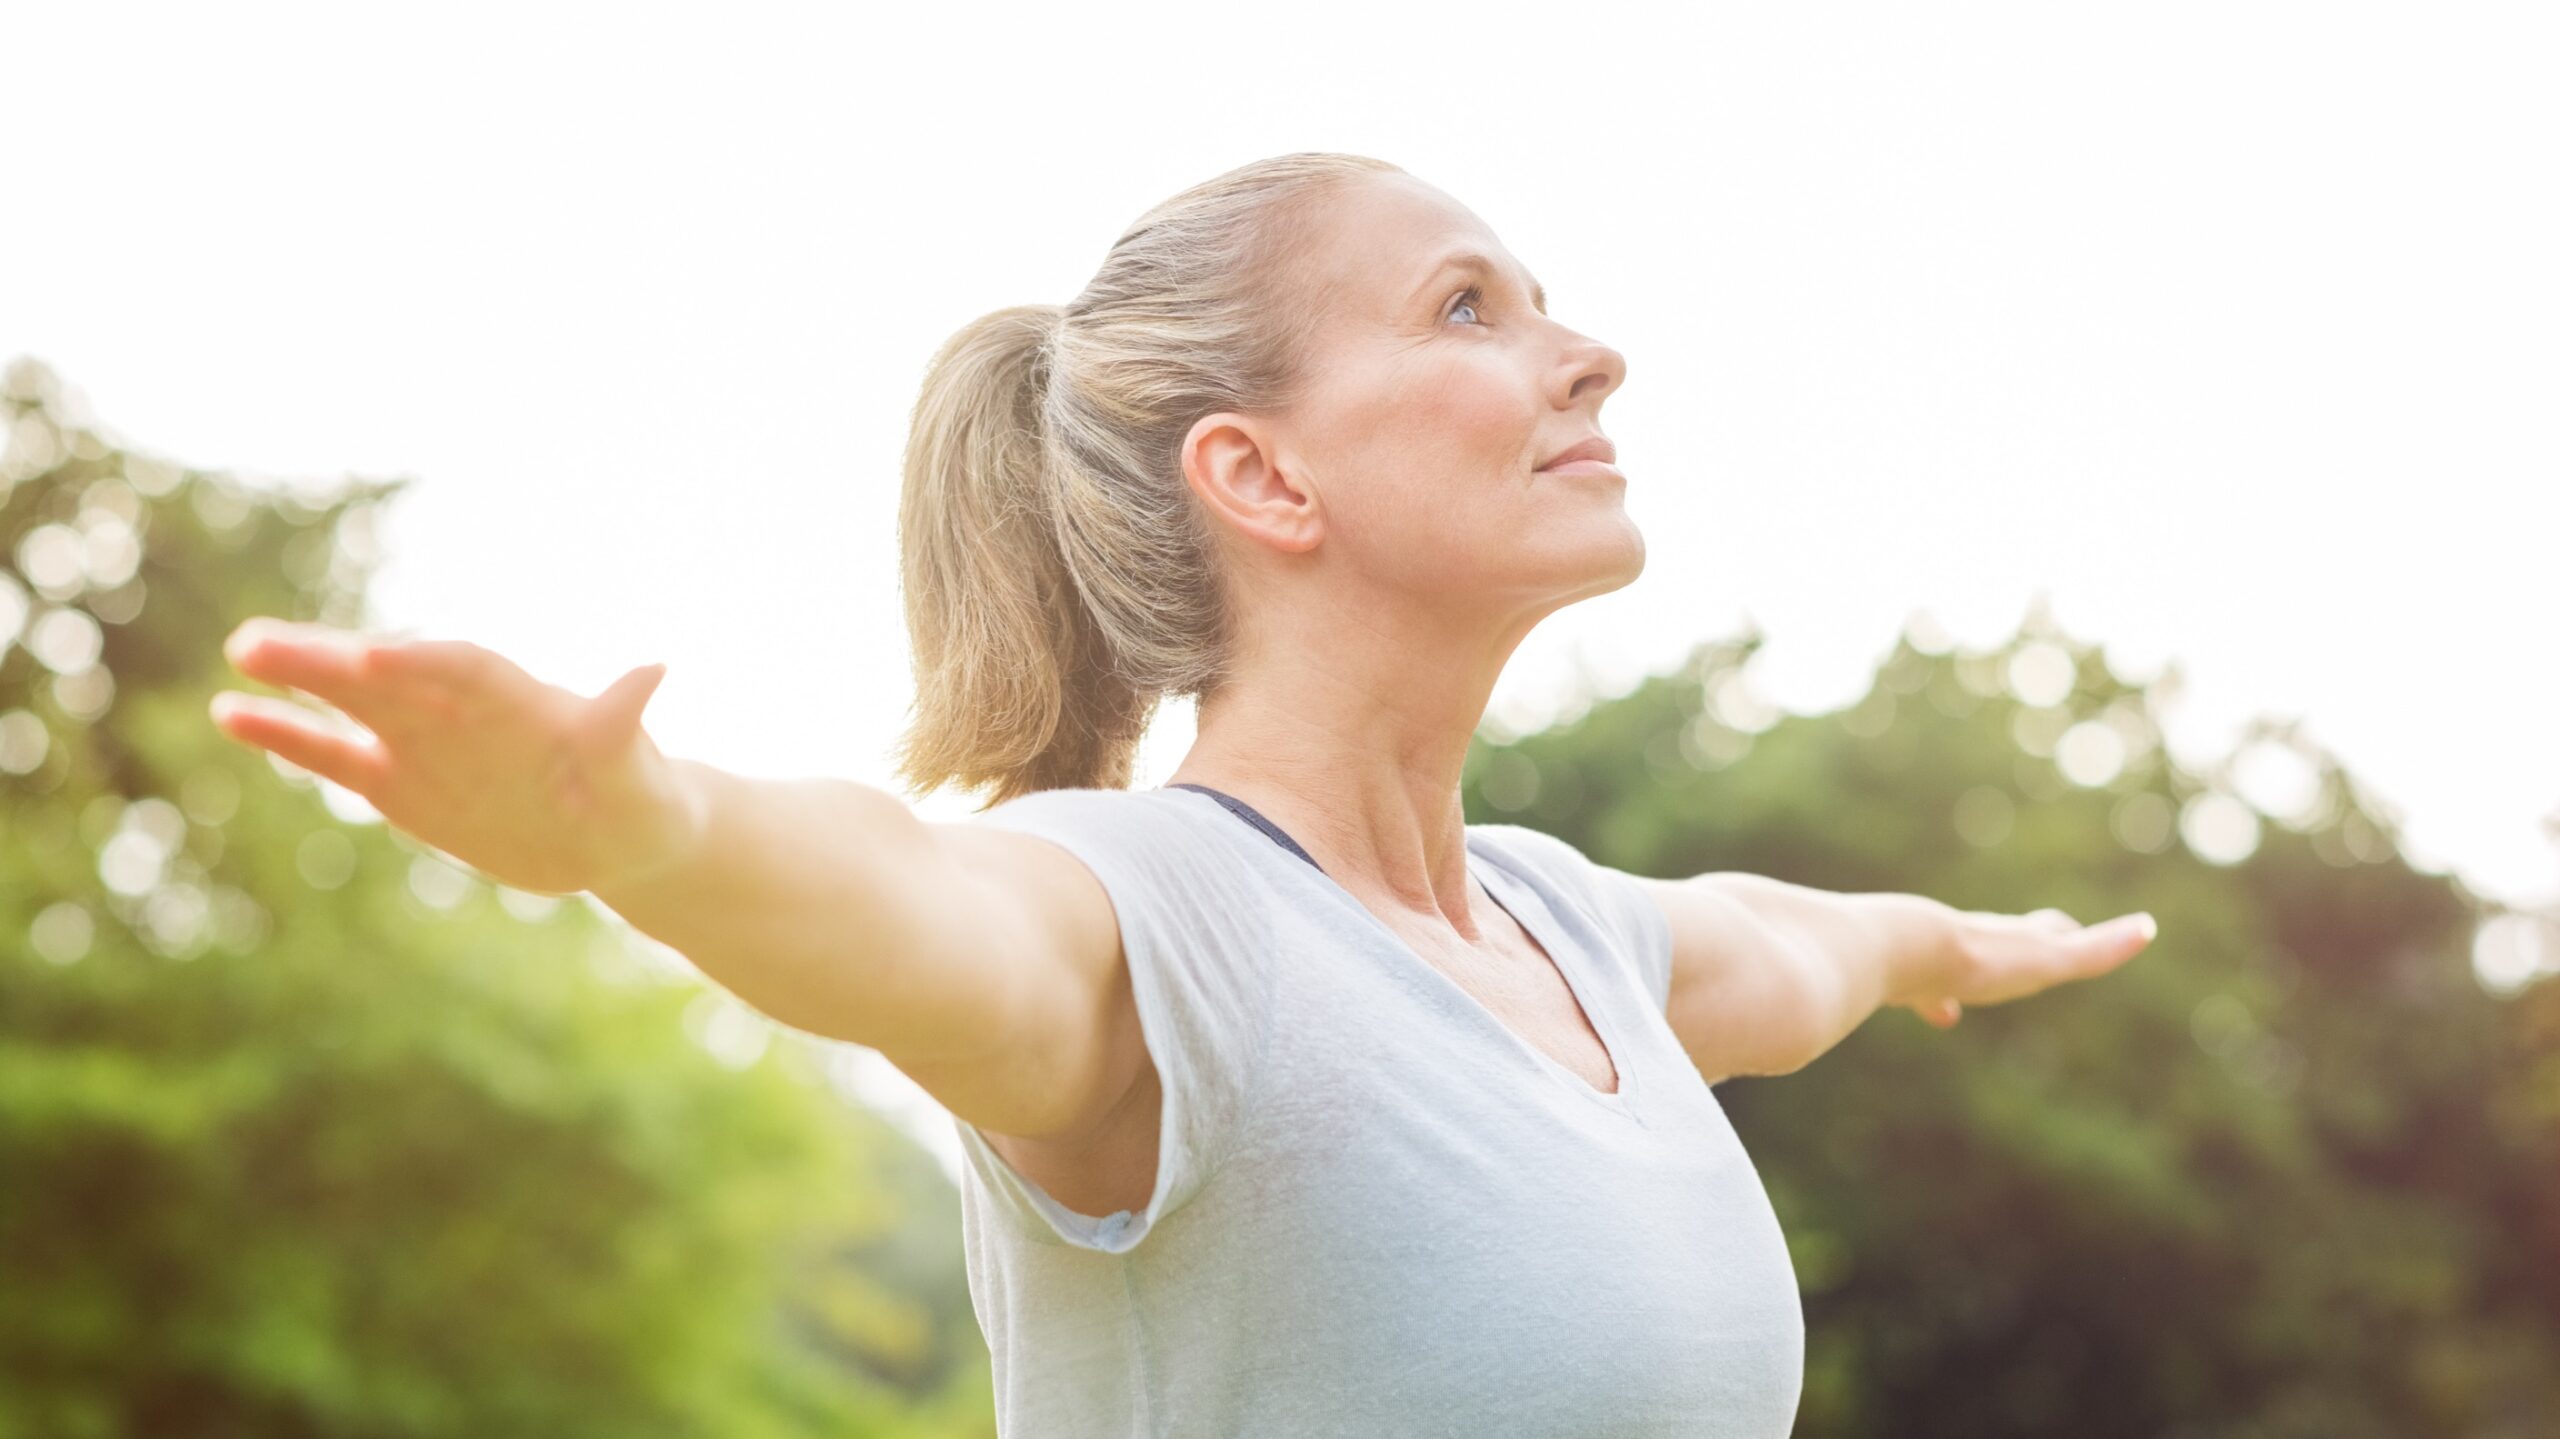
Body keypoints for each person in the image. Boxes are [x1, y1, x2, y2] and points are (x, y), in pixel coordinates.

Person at [210, 151, 2158, 1437]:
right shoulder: (1147, 917)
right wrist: (653, 833)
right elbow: (906, 902)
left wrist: (1953, 942)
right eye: (1468, 307)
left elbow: (1792, 945)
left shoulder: (1577, 934)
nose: (1587, 354)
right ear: (1262, 479)